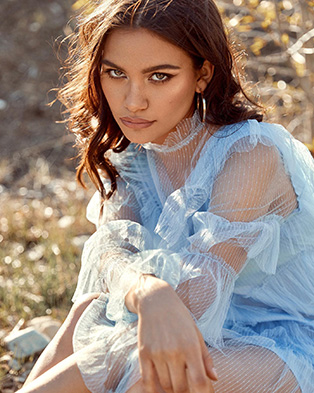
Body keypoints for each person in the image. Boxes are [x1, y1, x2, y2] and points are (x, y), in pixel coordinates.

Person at [18, 0, 314, 392]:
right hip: (201, 329)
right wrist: (148, 289)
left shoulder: (250, 154)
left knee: (146, 373)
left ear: (202, 74)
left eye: (159, 76)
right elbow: (110, 259)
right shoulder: (132, 155)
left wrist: (146, 295)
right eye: (116, 73)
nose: (132, 100)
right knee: (89, 310)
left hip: (283, 341)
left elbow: (196, 304)